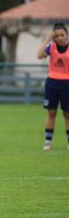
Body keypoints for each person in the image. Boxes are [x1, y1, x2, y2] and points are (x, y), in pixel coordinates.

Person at [37, 22, 69, 151]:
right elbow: (39, 55)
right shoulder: (51, 47)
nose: (60, 38)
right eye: (57, 36)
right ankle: (47, 142)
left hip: (67, 84)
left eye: (63, 35)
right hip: (52, 83)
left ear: (67, 35)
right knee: (51, 112)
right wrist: (47, 39)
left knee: (67, 114)